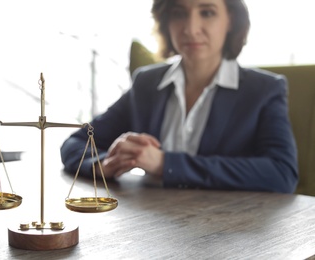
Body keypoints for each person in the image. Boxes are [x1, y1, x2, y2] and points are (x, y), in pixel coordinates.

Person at [60, 0, 298, 193]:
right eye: (179, 13)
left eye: (207, 12)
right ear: (166, 22)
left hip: (228, 231)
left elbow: (282, 173)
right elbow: (75, 143)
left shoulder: (264, 89)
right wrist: (105, 165)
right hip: (152, 224)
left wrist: (166, 164)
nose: (190, 28)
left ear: (231, 21)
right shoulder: (147, 83)